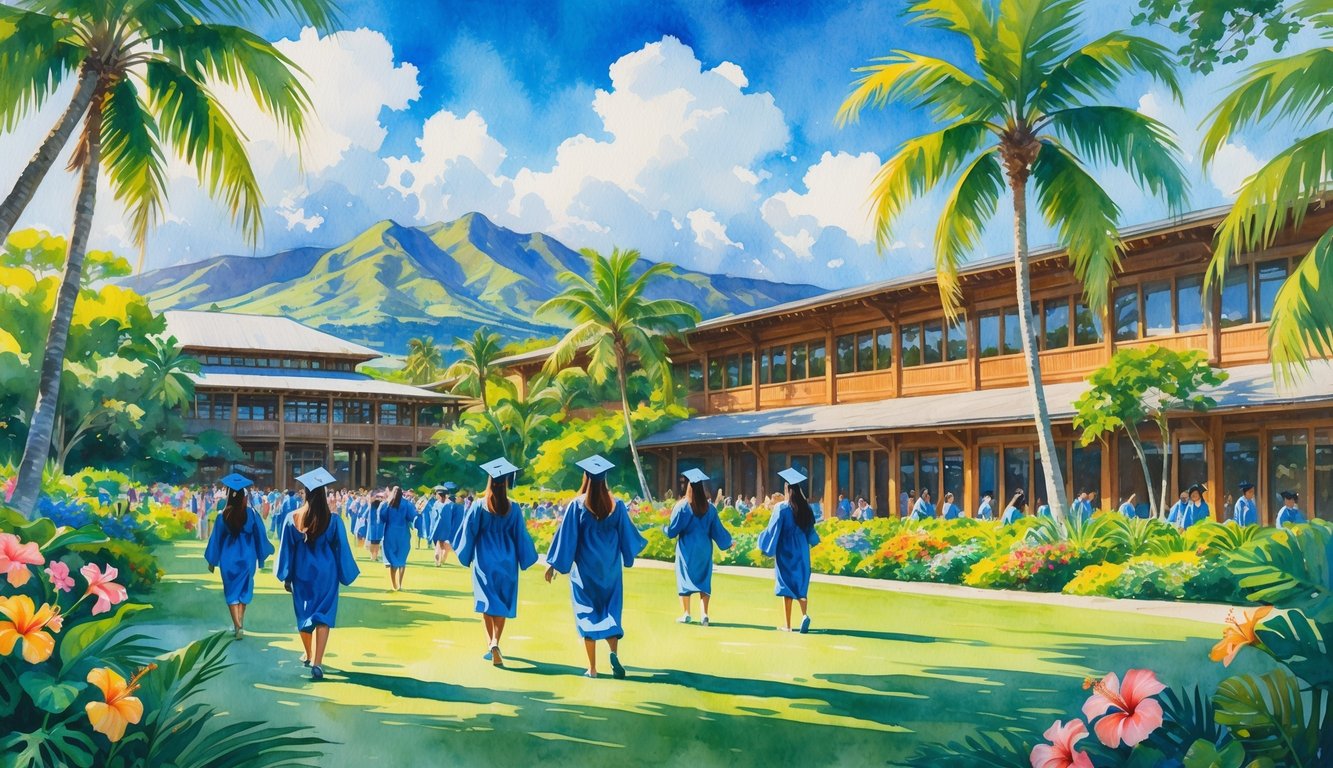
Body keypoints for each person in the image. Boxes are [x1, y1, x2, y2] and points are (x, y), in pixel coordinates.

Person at [544, 455, 647, 679]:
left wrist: (553, 565)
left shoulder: (577, 505)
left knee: (587, 612)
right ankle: (613, 654)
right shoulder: (617, 505)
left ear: (586, 477)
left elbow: (566, 538)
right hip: (610, 570)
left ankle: (592, 668)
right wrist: (628, 557)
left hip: (585, 571)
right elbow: (627, 536)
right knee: (610, 611)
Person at [274, 467, 359, 681]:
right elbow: (342, 549)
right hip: (326, 574)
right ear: (323, 494)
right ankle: (317, 662)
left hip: (301, 573)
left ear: (305, 493)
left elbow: (286, 549)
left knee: (304, 615)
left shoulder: (291, 518)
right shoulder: (333, 520)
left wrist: (286, 575)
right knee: (323, 617)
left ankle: (309, 653)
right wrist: (344, 572)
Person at [453, 458, 539, 668]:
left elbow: (468, 532)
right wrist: (526, 557)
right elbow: (521, 536)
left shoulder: (479, 506)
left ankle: (489, 643)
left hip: (485, 561)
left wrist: (465, 555)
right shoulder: (514, 508)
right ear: (507, 482)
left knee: (486, 602)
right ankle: (496, 641)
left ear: (490, 481)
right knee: (502, 603)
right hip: (507, 562)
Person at [204, 473, 274, 640]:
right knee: (244, 591)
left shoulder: (223, 516)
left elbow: (216, 540)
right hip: (247, 559)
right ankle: (240, 624)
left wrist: (212, 561)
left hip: (228, 559)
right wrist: (262, 557)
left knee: (231, 593)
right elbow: (260, 537)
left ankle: (237, 625)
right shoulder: (251, 514)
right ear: (244, 497)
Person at [665, 468, 733, 626]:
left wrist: (665, 530)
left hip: (687, 548)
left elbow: (673, 530)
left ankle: (686, 613)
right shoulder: (710, 509)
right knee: (704, 579)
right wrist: (728, 542)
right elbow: (718, 530)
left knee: (684, 578)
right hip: (704, 549)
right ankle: (704, 614)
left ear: (688, 487)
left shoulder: (682, 507)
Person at [759, 468, 820, 633]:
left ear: (787, 490)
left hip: (785, 550)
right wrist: (815, 542)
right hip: (801, 550)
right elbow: (811, 532)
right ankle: (804, 615)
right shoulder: (806, 508)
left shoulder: (781, 508)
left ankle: (787, 625)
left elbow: (773, 529)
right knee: (800, 585)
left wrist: (763, 543)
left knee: (787, 586)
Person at [379, 486, 418, 591]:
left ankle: (394, 584)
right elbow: (412, 516)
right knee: (402, 559)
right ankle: (400, 584)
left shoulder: (387, 504)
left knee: (393, 560)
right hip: (403, 534)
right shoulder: (407, 504)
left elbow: (382, 518)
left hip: (390, 533)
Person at [431, 483, 463, 566]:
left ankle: (437, 561)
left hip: (437, 527)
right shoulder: (451, 504)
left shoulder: (436, 504)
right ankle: (441, 560)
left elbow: (433, 516)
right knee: (442, 544)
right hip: (446, 527)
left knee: (438, 544)